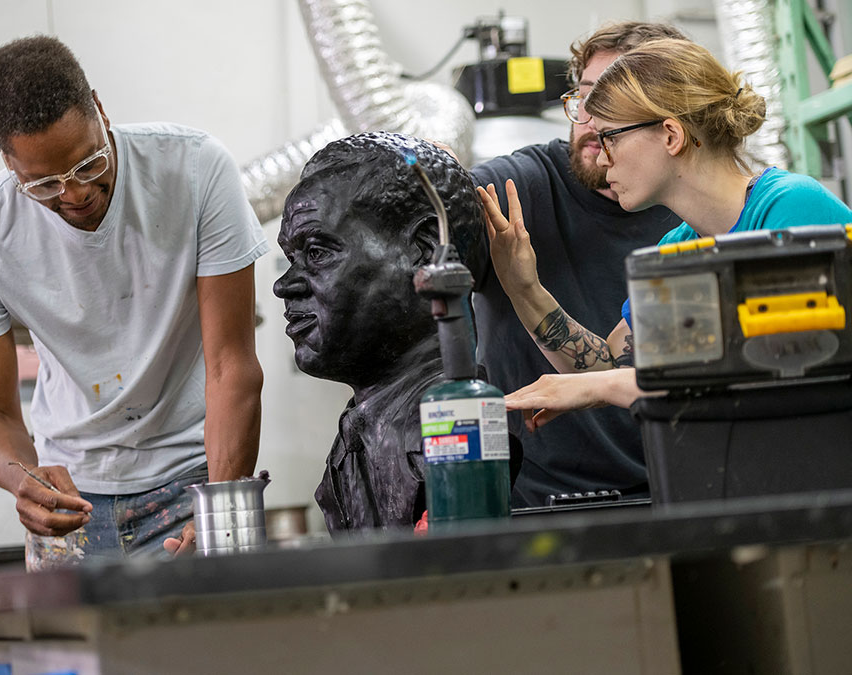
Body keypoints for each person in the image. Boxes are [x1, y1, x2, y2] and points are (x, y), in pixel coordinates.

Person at [0, 35, 268, 560]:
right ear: (6, 161)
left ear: (100, 109)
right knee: (73, 645)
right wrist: (24, 480)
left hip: (193, 478)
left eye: (88, 163)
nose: (74, 194)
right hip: (69, 498)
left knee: (206, 641)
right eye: (43, 184)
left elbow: (232, 366)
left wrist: (222, 513)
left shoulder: (194, 170)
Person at [482, 38, 852, 428]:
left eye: (611, 137)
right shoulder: (678, 250)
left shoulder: (791, 209)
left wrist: (604, 386)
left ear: (671, 136)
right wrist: (524, 289)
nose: (602, 156)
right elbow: (609, 366)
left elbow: (774, 379)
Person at [469, 21, 688, 507]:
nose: (593, 123)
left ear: (672, 125)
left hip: (680, 494)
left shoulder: (698, 221)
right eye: (586, 99)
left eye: (614, 106)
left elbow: (614, 371)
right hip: (535, 506)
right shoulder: (522, 185)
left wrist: (526, 291)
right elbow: (612, 366)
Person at [273, 131, 493, 532]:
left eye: (318, 252)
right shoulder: (363, 429)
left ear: (426, 250)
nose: (284, 285)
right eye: (292, 257)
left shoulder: (457, 425)